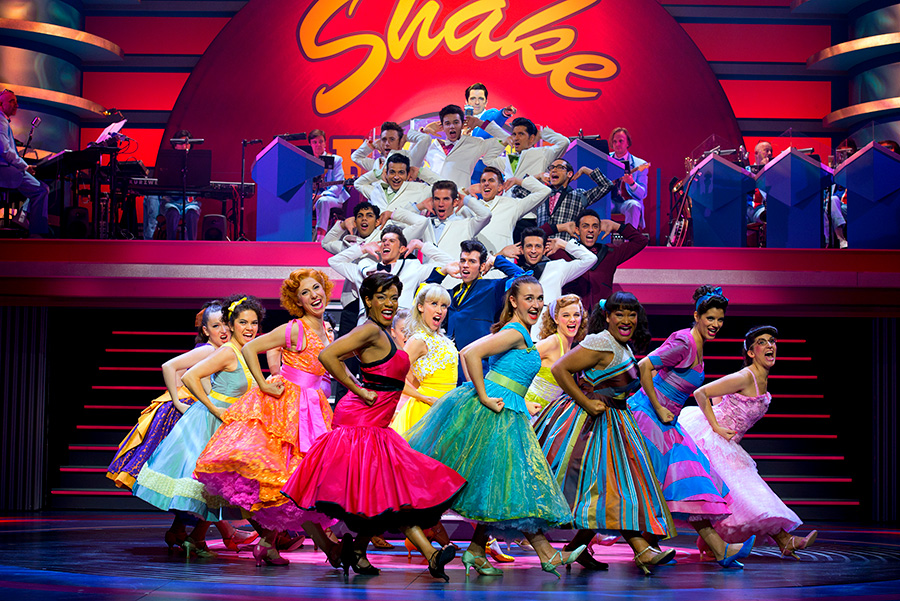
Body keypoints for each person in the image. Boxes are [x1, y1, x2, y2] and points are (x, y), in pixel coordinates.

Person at [281, 272, 466, 581]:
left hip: (377, 424)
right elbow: (327, 355)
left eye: (394, 297)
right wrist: (358, 389)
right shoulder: (369, 330)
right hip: (361, 425)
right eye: (382, 297)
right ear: (367, 300)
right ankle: (429, 554)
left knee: (380, 495)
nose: (389, 303)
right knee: (389, 491)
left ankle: (358, 552)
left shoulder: (380, 333)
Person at [406, 276, 586, 577]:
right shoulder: (515, 331)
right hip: (494, 412)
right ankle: (547, 554)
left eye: (539, 298)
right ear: (513, 301)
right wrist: (485, 395)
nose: (536, 304)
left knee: (499, 485)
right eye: (528, 298)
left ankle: (477, 551)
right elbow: (470, 354)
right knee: (505, 482)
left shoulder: (522, 334)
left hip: (510, 410)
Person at [194, 270, 337, 566]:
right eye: (306, 293)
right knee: (285, 477)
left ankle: (268, 543)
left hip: (314, 406)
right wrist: (262, 384)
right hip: (290, 405)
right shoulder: (295, 328)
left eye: (317, 289)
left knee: (296, 477)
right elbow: (250, 348)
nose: (314, 296)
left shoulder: (324, 328)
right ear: (297, 301)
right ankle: (311, 545)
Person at [534, 292, 679, 574]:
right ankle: (642, 550)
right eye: (620, 314)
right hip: (589, 422)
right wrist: (587, 402)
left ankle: (574, 549)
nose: (626, 320)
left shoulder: (621, 346)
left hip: (615, 422)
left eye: (631, 314)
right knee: (612, 487)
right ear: (609, 317)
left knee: (609, 487)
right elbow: (560, 369)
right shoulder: (600, 341)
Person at [626, 286, 755, 566]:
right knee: (669, 482)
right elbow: (645, 366)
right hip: (648, 415)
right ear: (696, 315)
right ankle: (715, 549)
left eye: (720, 320)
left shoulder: (697, 344)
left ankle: (659, 546)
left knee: (686, 482)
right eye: (710, 318)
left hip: (666, 420)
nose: (716, 325)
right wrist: (658, 407)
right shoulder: (684, 342)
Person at [132, 295, 262, 557]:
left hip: (230, 425)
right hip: (211, 423)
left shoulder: (245, 352)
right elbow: (189, 376)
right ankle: (260, 539)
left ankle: (194, 536)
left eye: (255, 322)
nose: (249, 328)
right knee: (213, 485)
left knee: (216, 489)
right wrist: (207, 407)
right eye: (243, 322)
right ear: (232, 324)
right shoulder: (224, 351)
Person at [680, 326, 818, 559]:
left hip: (726, 444)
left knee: (741, 494)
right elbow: (701, 393)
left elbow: (717, 396)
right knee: (745, 491)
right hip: (708, 438)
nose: (770, 345)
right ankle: (783, 540)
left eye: (772, 341)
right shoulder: (746, 376)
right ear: (751, 352)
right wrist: (716, 425)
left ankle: (721, 542)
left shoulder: (761, 381)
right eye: (762, 342)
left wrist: (723, 414)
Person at [108, 301, 230, 491]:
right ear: (206, 331)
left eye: (226, 324)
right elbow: (169, 366)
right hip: (183, 411)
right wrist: (177, 401)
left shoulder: (219, 351)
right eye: (216, 326)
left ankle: (203, 519)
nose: (223, 330)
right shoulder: (208, 350)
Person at [424, 239, 525, 382]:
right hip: (449, 367)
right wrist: (443, 271)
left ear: (482, 266)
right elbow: (423, 296)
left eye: (472, 261)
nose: (465, 265)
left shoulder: (493, 288)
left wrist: (496, 260)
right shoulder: (452, 293)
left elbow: (523, 279)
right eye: (462, 261)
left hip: (479, 367)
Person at [329, 224, 453, 323]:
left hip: (400, 327)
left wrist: (420, 245)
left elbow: (449, 262)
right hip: (368, 327)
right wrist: (362, 248)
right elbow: (334, 261)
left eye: (392, 241)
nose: (386, 243)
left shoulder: (412, 267)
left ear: (402, 249)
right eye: (384, 241)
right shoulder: (364, 268)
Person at [500, 226, 596, 334]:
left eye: (538, 246)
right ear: (521, 249)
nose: (533, 251)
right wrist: (501, 253)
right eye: (529, 246)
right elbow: (485, 269)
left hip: (548, 335)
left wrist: (563, 244)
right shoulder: (513, 271)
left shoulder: (558, 267)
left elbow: (590, 259)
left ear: (545, 249)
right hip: (518, 335)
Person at [390, 284, 457, 434]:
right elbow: (393, 377)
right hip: (425, 411)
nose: (440, 311)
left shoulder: (442, 338)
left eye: (444, 306)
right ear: (420, 307)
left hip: (445, 408)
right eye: (434, 304)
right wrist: (423, 396)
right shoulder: (418, 340)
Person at [554, 209, 648, 311]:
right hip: (572, 317)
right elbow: (536, 238)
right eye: (585, 226)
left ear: (599, 231)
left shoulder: (610, 252)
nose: (590, 230)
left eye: (595, 226)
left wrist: (616, 226)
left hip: (601, 317)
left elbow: (641, 241)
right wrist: (561, 227)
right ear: (577, 230)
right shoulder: (563, 254)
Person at [391, 180, 492, 259]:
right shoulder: (425, 223)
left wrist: (464, 198)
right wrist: (421, 205)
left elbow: (486, 215)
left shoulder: (466, 224)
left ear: (455, 202)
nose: (441, 204)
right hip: (428, 280)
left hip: (453, 280)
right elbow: (396, 222)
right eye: (437, 199)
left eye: (446, 199)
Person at [421, 104, 507, 191]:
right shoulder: (432, 147)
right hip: (435, 200)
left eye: (456, 122)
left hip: (460, 200)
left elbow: (505, 138)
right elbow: (412, 159)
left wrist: (480, 123)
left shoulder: (474, 144)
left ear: (462, 125)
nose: (452, 126)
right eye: (447, 123)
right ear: (442, 126)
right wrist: (424, 132)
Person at [466, 166, 550, 254]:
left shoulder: (512, 204)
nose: (486, 183)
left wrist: (519, 181)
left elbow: (544, 191)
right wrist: (467, 191)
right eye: (483, 181)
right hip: (475, 261)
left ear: (500, 187)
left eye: (491, 180)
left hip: (501, 262)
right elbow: (453, 207)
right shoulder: (472, 206)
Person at [522, 294, 586, 410]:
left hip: (544, 413)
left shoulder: (570, 348)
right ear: (556, 318)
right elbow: (513, 365)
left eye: (576, 315)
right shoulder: (552, 342)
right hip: (527, 410)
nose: (572, 319)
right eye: (566, 315)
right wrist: (524, 403)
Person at [0, 89, 50, 236]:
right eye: (11, 101)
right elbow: (5, 151)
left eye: (16, 101)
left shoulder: (3, 122)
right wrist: (25, 167)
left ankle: (22, 216)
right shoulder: (1, 123)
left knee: (42, 187)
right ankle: (37, 235)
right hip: (4, 170)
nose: (16, 104)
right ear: (1, 105)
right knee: (41, 190)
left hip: (7, 168)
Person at [535, 159, 613, 240]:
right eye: (551, 168)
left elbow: (607, 185)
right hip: (540, 247)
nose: (554, 170)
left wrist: (584, 170)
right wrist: (539, 176)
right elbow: (521, 190)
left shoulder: (579, 195)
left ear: (569, 174)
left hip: (565, 247)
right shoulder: (542, 194)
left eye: (559, 167)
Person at [463, 82, 515, 184]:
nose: (477, 102)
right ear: (466, 102)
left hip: (485, 171)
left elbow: (494, 118)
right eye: (473, 98)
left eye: (481, 99)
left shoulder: (489, 115)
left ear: (486, 102)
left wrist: (504, 113)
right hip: (465, 173)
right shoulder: (459, 121)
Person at [353, 153, 439, 213]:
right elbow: (358, 184)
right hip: (378, 237)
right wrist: (378, 173)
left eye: (401, 172)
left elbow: (448, 187)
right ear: (386, 173)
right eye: (392, 172)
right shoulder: (377, 190)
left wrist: (420, 172)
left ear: (408, 174)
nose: (396, 177)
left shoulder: (419, 190)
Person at [600, 127, 648, 229]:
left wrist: (632, 183)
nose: (617, 144)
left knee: (634, 205)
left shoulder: (640, 164)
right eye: (615, 141)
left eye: (621, 141)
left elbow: (643, 194)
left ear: (627, 143)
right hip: (610, 202)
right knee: (599, 204)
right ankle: (601, 242)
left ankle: (630, 242)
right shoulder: (604, 160)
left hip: (626, 203)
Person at [310, 129, 350, 240]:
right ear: (310, 144)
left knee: (323, 201)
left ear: (325, 143)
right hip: (313, 198)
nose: (318, 145)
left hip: (334, 198)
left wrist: (322, 195)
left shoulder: (336, 160)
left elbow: (338, 186)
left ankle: (320, 238)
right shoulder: (307, 162)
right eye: (315, 142)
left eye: (321, 141)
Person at [351, 121, 430, 177]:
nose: (387, 144)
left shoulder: (411, 159)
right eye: (384, 139)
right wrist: (372, 145)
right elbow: (356, 157)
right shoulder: (377, 164)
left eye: (392, 139)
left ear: (400, 141)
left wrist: (406, 137)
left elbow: (425, 139)